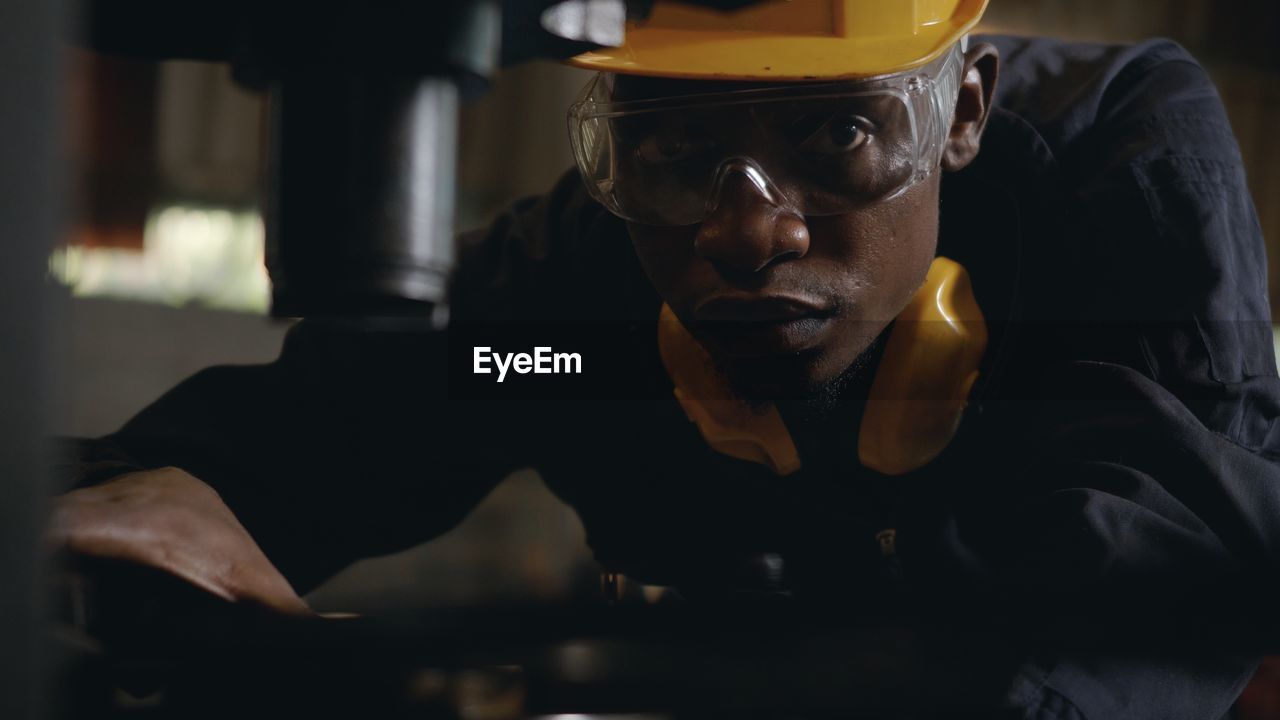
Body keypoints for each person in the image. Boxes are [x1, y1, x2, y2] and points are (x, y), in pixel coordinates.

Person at [49, 1, 1280, 717]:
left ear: (960, 113)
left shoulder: (1108, 179)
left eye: (838, 130)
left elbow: (1148, 547)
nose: (747, 230)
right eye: (679, 147)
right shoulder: (573, 325)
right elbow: (398, 407)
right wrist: (171, 494)